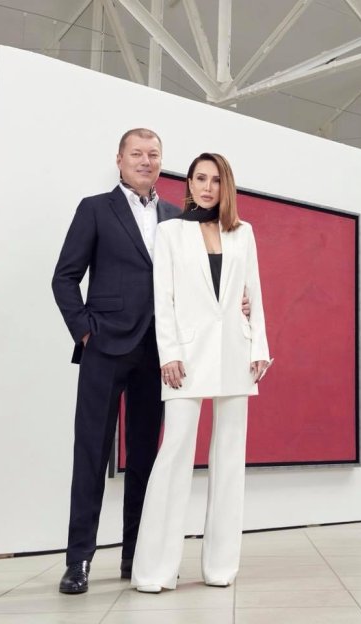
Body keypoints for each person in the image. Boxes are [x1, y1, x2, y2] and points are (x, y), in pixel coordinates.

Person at [52, 130, 250, 594]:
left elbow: (203, 284)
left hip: (160, 355)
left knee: (145, 458)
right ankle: (78, 560)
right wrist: (85, 330)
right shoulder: (94, 209)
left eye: (153, 155)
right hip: (105, 348)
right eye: (137, 154)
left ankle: (134, 556)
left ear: (162, 163)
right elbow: (64, 277)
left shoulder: (177, 218)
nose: (145, 161)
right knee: (91, 454)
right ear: (119, 159)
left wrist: (237, 303)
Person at [131, 152, 271, 593]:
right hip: (186, 357)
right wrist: (168, 354)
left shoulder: (243, 232)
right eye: (200, 179)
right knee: (174, 454)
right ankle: (154, 570)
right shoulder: (170, 232)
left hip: (236, 354)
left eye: (215, 180)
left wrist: (260, 348)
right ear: (189, 184)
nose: (207, 187)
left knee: (230, 460)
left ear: (226, 186)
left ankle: (221, 567)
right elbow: (164, 298)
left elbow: (253, 293)